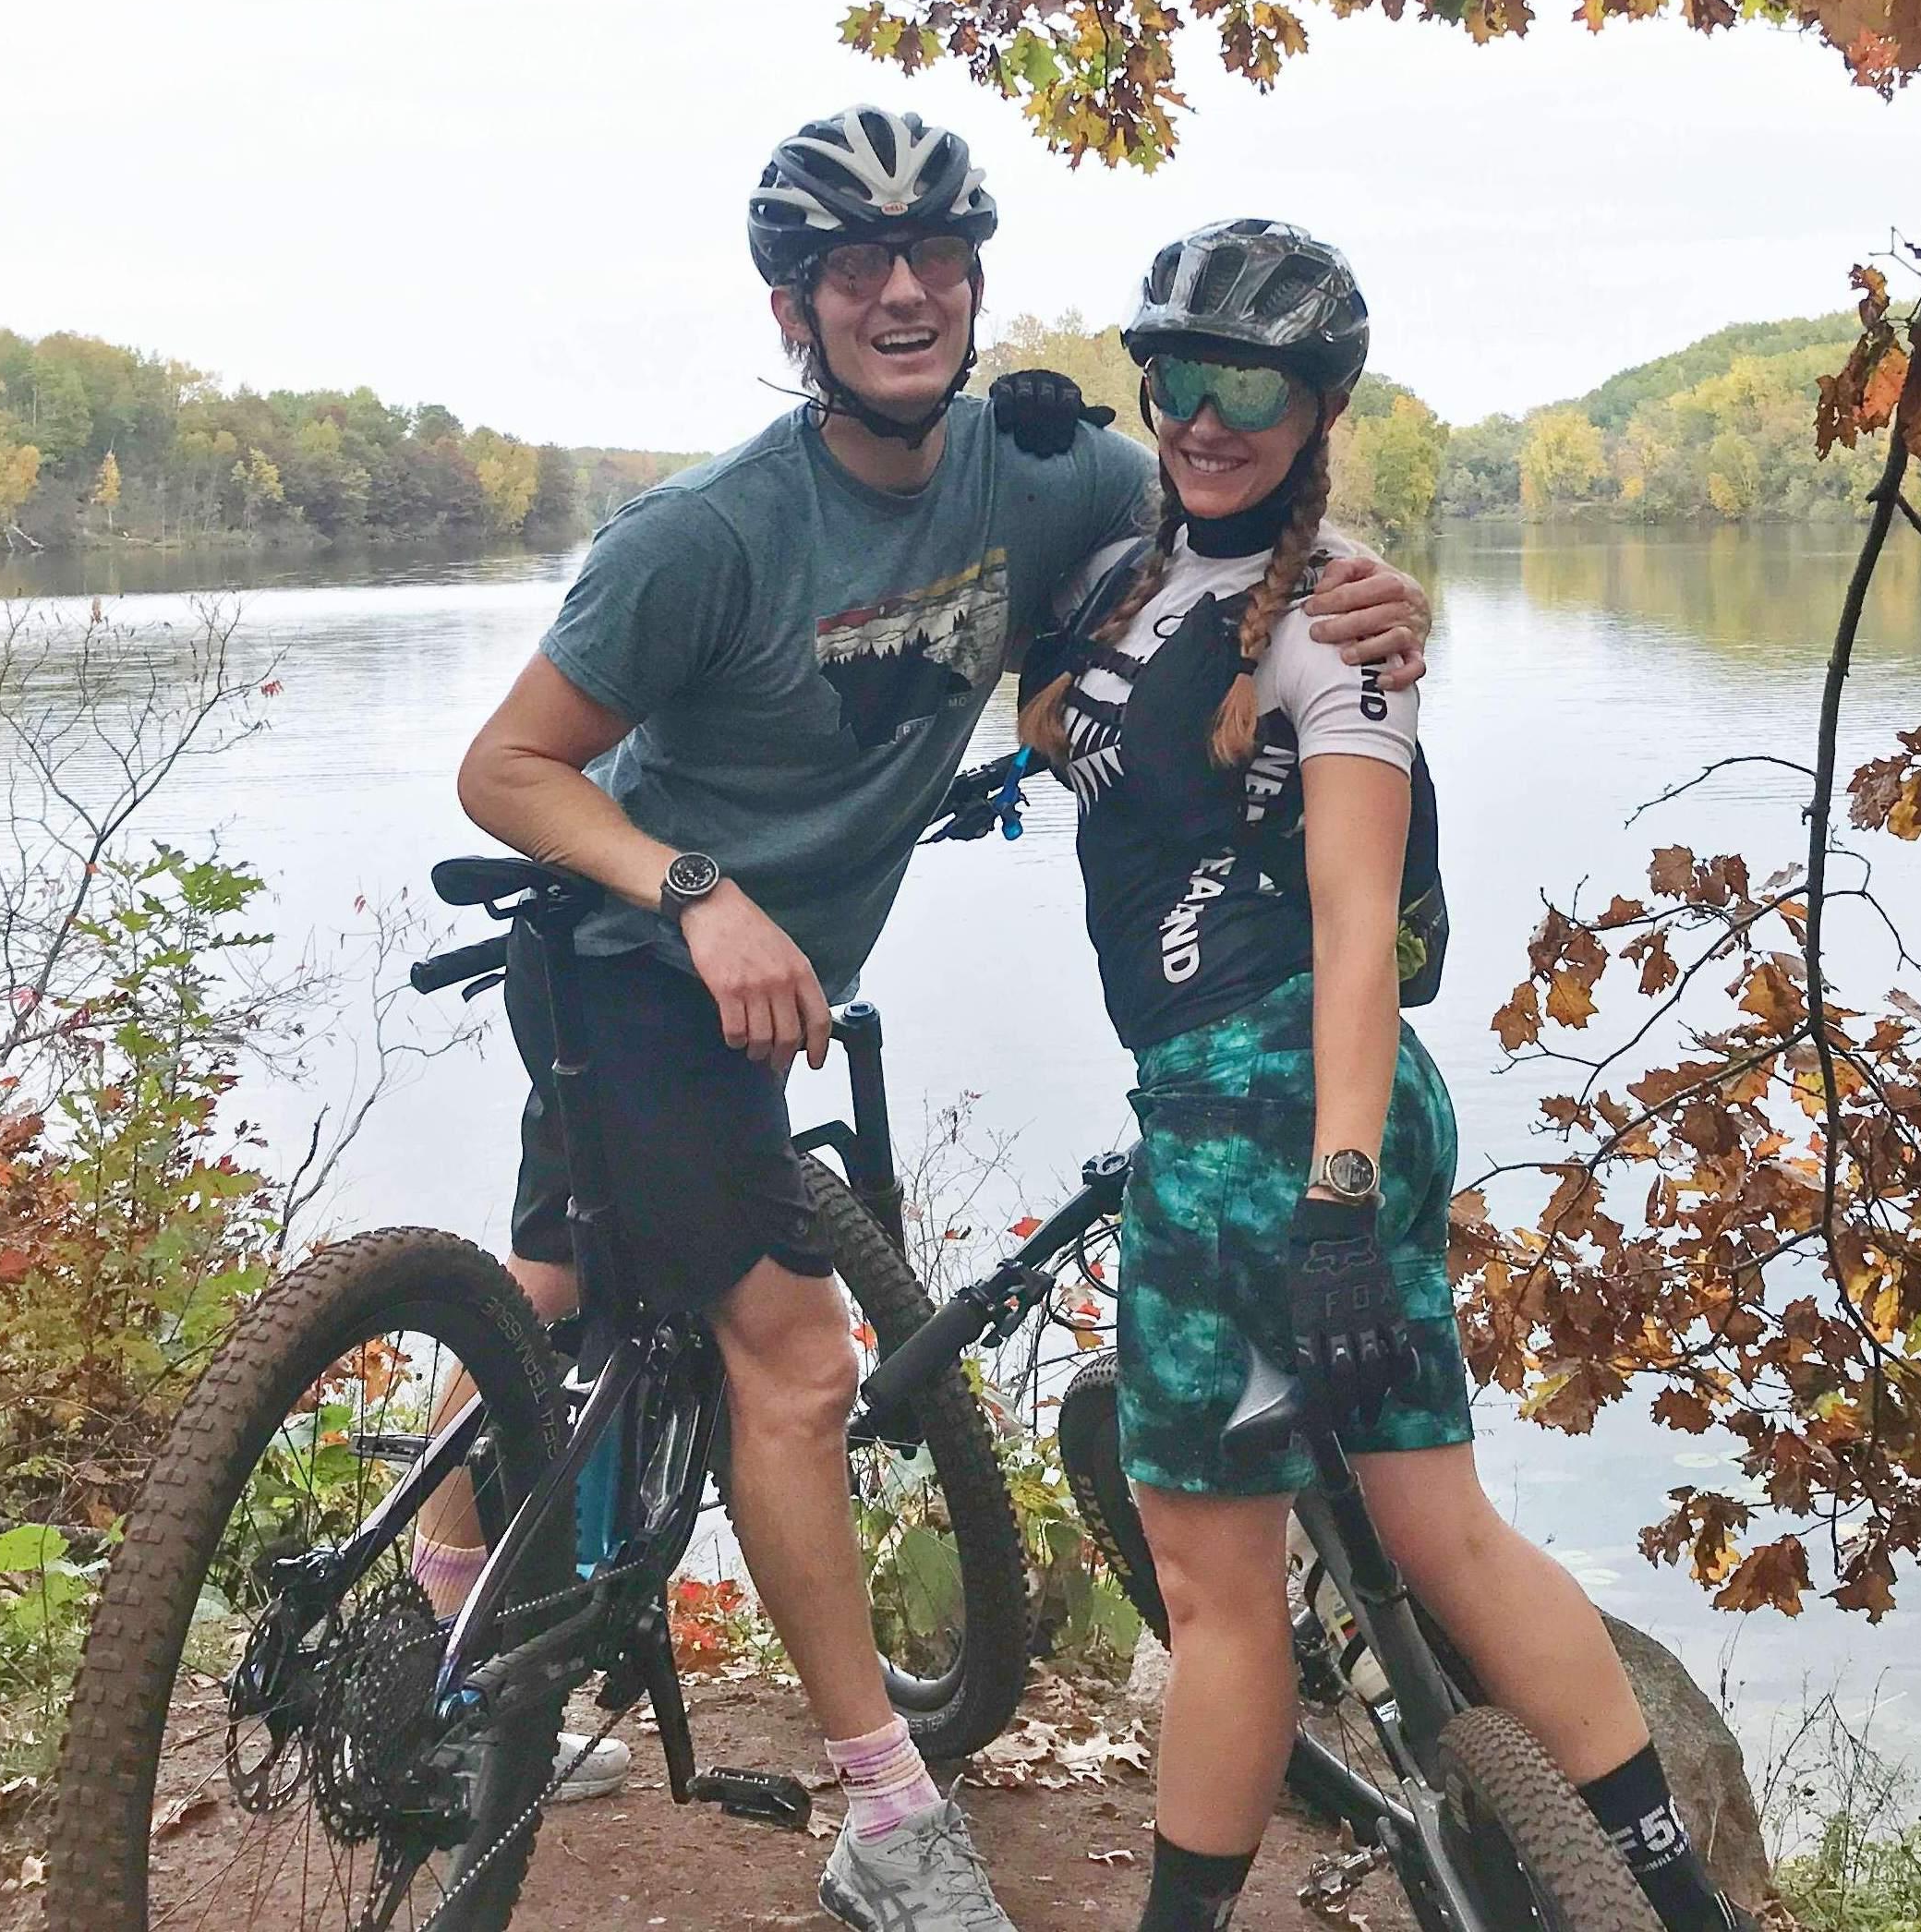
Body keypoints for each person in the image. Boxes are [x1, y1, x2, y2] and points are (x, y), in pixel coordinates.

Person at [437, 115, 1432, 1931]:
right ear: (791, 308)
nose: (903, 294)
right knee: (803, 1371)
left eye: (937, 261)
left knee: (556, 1283)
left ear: (974, 288)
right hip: (634, 975)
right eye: (853, 270)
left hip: (752, 1001)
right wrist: (692, 888)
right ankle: (888, 1814)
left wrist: (1373, 603)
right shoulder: (706, 534)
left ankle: (439, 1619)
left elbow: (1236, 512)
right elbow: (505, 766)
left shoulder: (1037, 477)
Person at [1018, 219, 1743, 1932]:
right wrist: (1012, 446)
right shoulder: (1135, 577)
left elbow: (1357, 923)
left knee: (1219, 1593)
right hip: (1293, 1108)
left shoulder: (1337, 624)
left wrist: (1334, 1194)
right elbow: (1066, 718)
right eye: (1178, 378)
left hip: (1264, 1121)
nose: (1206, 418)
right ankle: (1683, 1909)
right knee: (1444, 1535)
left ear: (1319, 400)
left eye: (1248, 386)